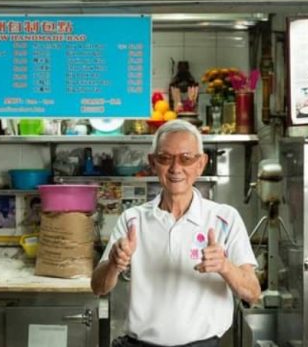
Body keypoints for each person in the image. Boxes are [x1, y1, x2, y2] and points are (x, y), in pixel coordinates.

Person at [92, 120, 260, 347]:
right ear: (152, 162)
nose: (175, 168)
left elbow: (252, 293)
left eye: (186, 158)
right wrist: (113, 262)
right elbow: (98, 287)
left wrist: (224, 266)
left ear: (201, 164)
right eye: (165, 158)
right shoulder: (133, 219)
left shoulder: (224, 219)